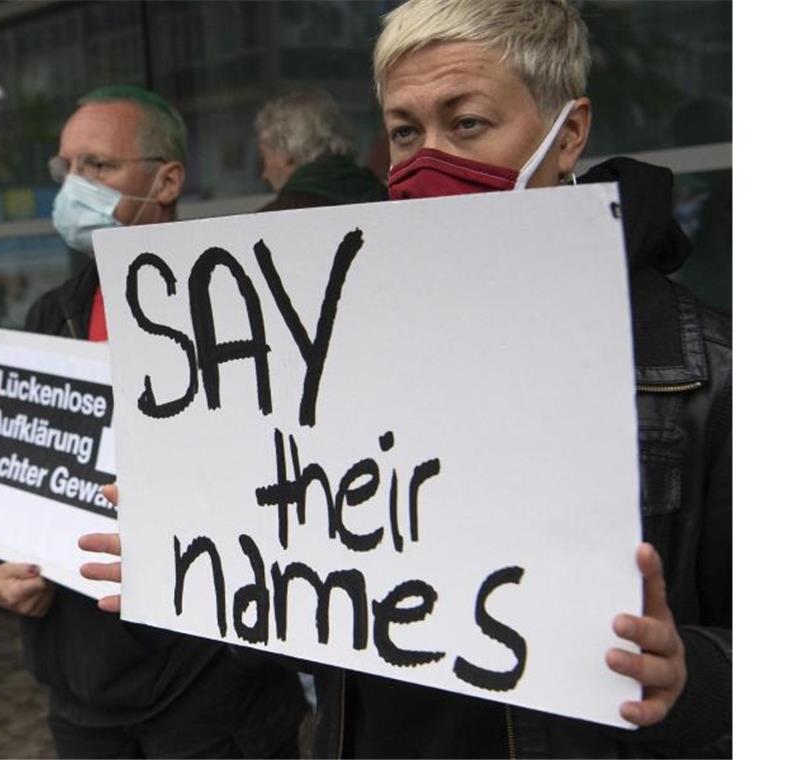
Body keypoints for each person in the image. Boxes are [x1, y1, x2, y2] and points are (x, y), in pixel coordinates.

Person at [80, 2, 731, 756]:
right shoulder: (335, 345)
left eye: (468, 124)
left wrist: (691, 679)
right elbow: (316, 620)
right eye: (403, 132)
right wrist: (204, 566)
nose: (427, 160)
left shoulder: (703, 371)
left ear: (569, 133)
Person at [0, 85, 307, 759]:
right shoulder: (51, 314)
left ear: (167, 179)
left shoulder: (241, 303)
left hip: (211, 693)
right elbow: (10, 473)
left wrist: (238, 653)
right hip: (81, 686)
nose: (76, 186)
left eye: (98, 166)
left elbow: (291, 480)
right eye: (66, 170)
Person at [254, 89, 386, 211]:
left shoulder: (271, 222)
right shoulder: (387, 198)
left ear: (287, 155)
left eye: (264, 157)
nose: (264, 174)